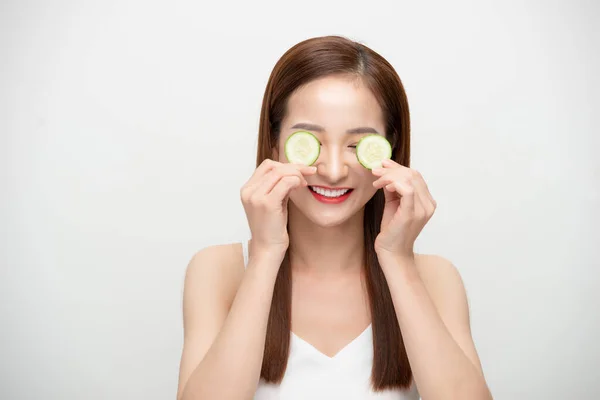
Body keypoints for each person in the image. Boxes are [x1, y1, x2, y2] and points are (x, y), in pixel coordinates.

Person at [176, 35, 493, 400]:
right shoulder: (217, 271)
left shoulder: (434, 278)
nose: (333, 170)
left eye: (359, 146)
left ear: (391, 151)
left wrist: (398, 260)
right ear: (274, 144)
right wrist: (265, 254)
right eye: (309, 141)